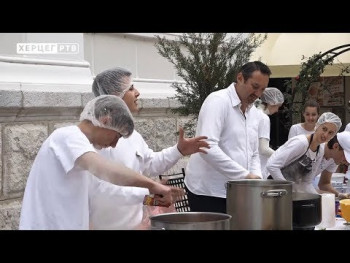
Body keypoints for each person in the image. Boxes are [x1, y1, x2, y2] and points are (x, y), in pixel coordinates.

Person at [19, 95, 183, 230]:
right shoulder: (66, 136)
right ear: (105, 121)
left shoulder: (82, 156)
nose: (114, 145)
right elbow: (107, 171)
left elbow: (108, 193)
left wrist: (152, 199)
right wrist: (153, 185)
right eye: (117, 136)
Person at [89, 67, 210, 230]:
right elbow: (105, 193)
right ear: (114, 96)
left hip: (136, 224)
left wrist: (179, 150)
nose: (137, 92)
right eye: (130, 88)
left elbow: (150, 164)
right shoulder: (99, 140)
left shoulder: (132, 135)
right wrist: (151, 191)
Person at [184, 61, 271, 213]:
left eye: (262, 89)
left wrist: (256, 178)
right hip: (209, 191)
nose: (257, 94)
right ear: (240, 78)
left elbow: (254, 152)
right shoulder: (218, 101)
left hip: (239, 191)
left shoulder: (254, 113)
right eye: (255, 86)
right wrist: (245, 176)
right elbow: (207, 146)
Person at [266, 112, 342, 194]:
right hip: (270, 189)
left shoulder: (320, 151)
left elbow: (306, 182)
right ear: (317, 126)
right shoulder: (301, 143)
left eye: (330, 133)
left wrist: (318, 198)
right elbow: (272, 166)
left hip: (287, 193)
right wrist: (287, 188)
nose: (326, 134)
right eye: (324, 129)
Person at [253, 87, 284, 178]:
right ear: (272, 102)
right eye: (278, 106)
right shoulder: (263, 118)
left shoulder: (252, 113)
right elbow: (263, 149)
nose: (277, 110)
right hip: (258, 167)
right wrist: (281, 157)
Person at [316, 133, 350, 199]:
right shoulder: (315, 151)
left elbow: (324, 184)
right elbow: (302, 184)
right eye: (345, 156)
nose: (347, 162)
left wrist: (339, 195)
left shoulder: (334, 159)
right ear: (335, 146)